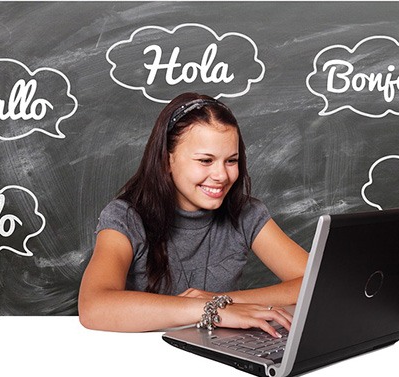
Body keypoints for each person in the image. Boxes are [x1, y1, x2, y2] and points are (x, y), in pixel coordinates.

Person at [79, 93, 308, 338]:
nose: (221, 175)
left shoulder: (246, 213)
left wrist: (224, 301)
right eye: (205, 160)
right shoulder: (125, 217)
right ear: (167, 161)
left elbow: (316, 281)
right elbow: (94, 306)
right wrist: (209, 310)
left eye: (231, 160)